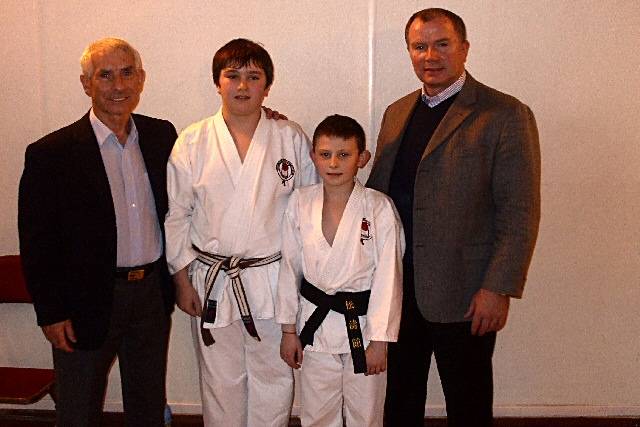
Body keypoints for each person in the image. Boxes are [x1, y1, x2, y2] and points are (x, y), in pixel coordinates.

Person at [366, 8, 541, 427]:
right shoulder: (396, 111)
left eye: (442, 44)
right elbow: (377, 196)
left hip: (466, 293)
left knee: (468, 404)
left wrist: (498, 287)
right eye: (419, 46)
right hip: (398, 288)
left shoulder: (504, 114)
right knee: (400, 401)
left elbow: (519, 211)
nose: (431, 55)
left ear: (463, 48)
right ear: (409, 52)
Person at [18, 38, 177, 426]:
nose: (118, 85)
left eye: (127, 73)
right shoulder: (51, 153)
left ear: (140, 79)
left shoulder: (162, 138)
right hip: (83, 301)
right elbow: (37, 243)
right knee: (78, 411)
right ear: (85, 83)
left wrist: (264, 117)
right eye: (105, 75)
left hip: (151, 298)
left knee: (147, 407)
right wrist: (51, 313)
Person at [164, 38, 317, 427]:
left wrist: (305, 281)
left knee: (275, 377)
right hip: (212, 280)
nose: (243, 85)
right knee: (220, 380)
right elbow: (178, 214)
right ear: (218, 82)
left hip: (272, 278)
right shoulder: (193, 141)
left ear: (267, 85)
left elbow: (308, 212)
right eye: (232, 76)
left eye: (254, 76)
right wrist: (181, 280)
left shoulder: (290, 136)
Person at [277, 114, 404, 427]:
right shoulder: (300, 203)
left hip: (362, 328)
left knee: (367, 415)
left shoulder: (378, 207)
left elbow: (389, 277)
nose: (333, 163)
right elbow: (288, 268)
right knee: (317, 415)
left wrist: (380, 340)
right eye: (325, 154)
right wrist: (288, 330)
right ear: (313, 157)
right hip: (314, 326)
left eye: (344, 155)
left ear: (362, 158)